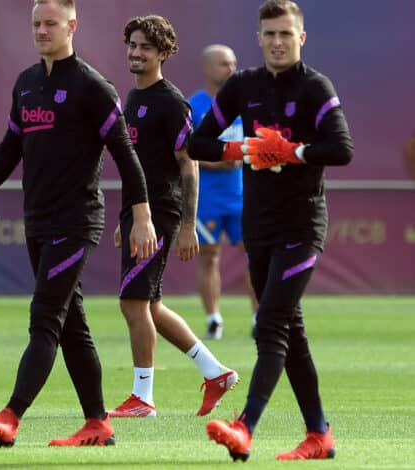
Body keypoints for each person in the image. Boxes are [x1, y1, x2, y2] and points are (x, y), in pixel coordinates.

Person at [0, 0, 157, 447]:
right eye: (37, 24)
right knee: (71, 325)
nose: (42, 31)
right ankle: (98, 424)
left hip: (77, 221)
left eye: (51, 23)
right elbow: (10, 147)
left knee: (44, 317)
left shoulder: (92, 86)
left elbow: (126, 154)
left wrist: (142, 215)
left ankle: (11, 416)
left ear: (72, 26)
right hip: (38, 221)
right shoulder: (26, 84)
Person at [188, 0, 353, 461]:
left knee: (271, 323)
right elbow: (198, 142)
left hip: (302, 223)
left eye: (286, 34)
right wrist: (245, 148)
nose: (278, 42)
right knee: (289, 329)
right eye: (270, 34)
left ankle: (246, 426)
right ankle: (319, 434)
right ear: (258, 39)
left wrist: (293, 152)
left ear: (301, 38)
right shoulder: (243, 87)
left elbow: (342, 149)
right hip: (257, 223)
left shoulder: (315, 87)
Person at [106, 15, 238, 420]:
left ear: (163, 53)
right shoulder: (133, 97)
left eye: (146, 46)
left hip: (160, 216)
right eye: (132, 45)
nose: (136, 52)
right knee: (153, 306)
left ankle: (142, 398)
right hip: (140, 213)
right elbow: (139, 165)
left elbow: (189, 164)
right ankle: (214, 372)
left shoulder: (169, 101)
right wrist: (126, 215)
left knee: (133, 303)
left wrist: (185, 225)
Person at [188, 45, 258, 340]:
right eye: (223, 64)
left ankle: (259, 318)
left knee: (255, 254)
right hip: (207, 197)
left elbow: (260, 143)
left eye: (233, 63)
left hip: (243, 194)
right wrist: (217, 160)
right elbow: (185, 151)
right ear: (207, 68)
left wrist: (247, 156)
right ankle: (214, 318)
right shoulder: (194, 105)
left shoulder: (246, 104)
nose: (230, 69)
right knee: (209, 255)